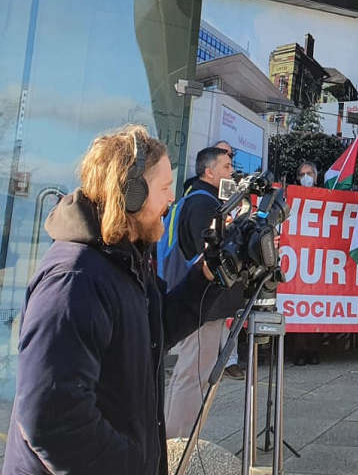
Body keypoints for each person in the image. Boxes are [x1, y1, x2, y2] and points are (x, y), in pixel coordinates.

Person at [4, 125, 220, 475]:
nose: (171, 200)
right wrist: (133, 464)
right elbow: (52, 419)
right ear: (131, 194)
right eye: (164, 188)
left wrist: (207, 276)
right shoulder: (74, 280)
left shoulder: (125, 257)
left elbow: (155, 326)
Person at [162, 146, 242, 439]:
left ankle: (178, 437)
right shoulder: (203, 205)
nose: (231, 172)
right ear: (209, 172)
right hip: (202, 304)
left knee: (194, 372)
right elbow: (207, 257)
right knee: (193, 373)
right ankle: (178, 444)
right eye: (225, 167)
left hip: (204, 304)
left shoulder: (204, 200)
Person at [291, 160, 324, 366]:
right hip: (297, 258)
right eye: (302, 174)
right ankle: (299, 351)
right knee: (298, 307)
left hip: (319, 259)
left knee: (317, 308)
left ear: (316, 176)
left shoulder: (324, 197)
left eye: (309, 173)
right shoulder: (291, 197)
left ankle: (314, 350)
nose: (306, 177)